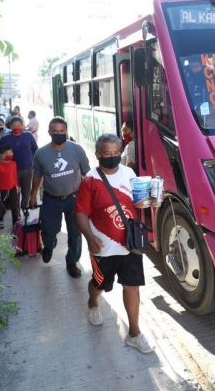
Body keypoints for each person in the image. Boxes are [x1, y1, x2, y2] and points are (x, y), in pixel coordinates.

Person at [74, 133, 155, 354]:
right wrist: (90, 237)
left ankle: (134, 334)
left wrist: (154, 198)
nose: (112, 157)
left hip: (130, 245)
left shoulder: (129, 173)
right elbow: (80, 212)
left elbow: (140, 203)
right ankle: (92, 303)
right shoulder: (90, 180)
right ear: (98, 154)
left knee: (132, 286)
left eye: (116, 153)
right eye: (107, 154)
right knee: (100, 285)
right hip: (103, 248)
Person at [31, 117, 90, 278]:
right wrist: (33, 195)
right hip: (51, 199)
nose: (59, 134)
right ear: (49, 132)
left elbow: (88, 174)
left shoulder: (77, 150)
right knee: (49, 231)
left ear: (66, 132)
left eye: (62, 131)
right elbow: (37, 176)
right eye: (55, 131)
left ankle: (72, 262)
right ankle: (49, 246)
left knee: (75, 233)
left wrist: (92, 197)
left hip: (74, 199)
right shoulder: (41, 153)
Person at [0, 115, 38, 212]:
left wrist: (34, 160)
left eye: (19, 125)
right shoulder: (5, 138)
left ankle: (24, 207)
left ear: (23, 125)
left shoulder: (28, 135)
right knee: (15, 193)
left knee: (27, 192)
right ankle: (17, 213)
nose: (17, 128)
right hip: (12, 170)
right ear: (10, 126)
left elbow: (35, 149)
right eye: (14, 126)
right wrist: (1, 156)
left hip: (27, 168)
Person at [0, 144, 20, 228]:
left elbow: (15, 176)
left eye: (11, 153)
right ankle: (0, 220)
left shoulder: (14, 164)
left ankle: (16, 222)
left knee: (14, 206)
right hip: (1, 190)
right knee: (2, 206)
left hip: (12, 189)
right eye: (7, 154)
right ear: (1, 155)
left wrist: (17, 185)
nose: (9, 155)